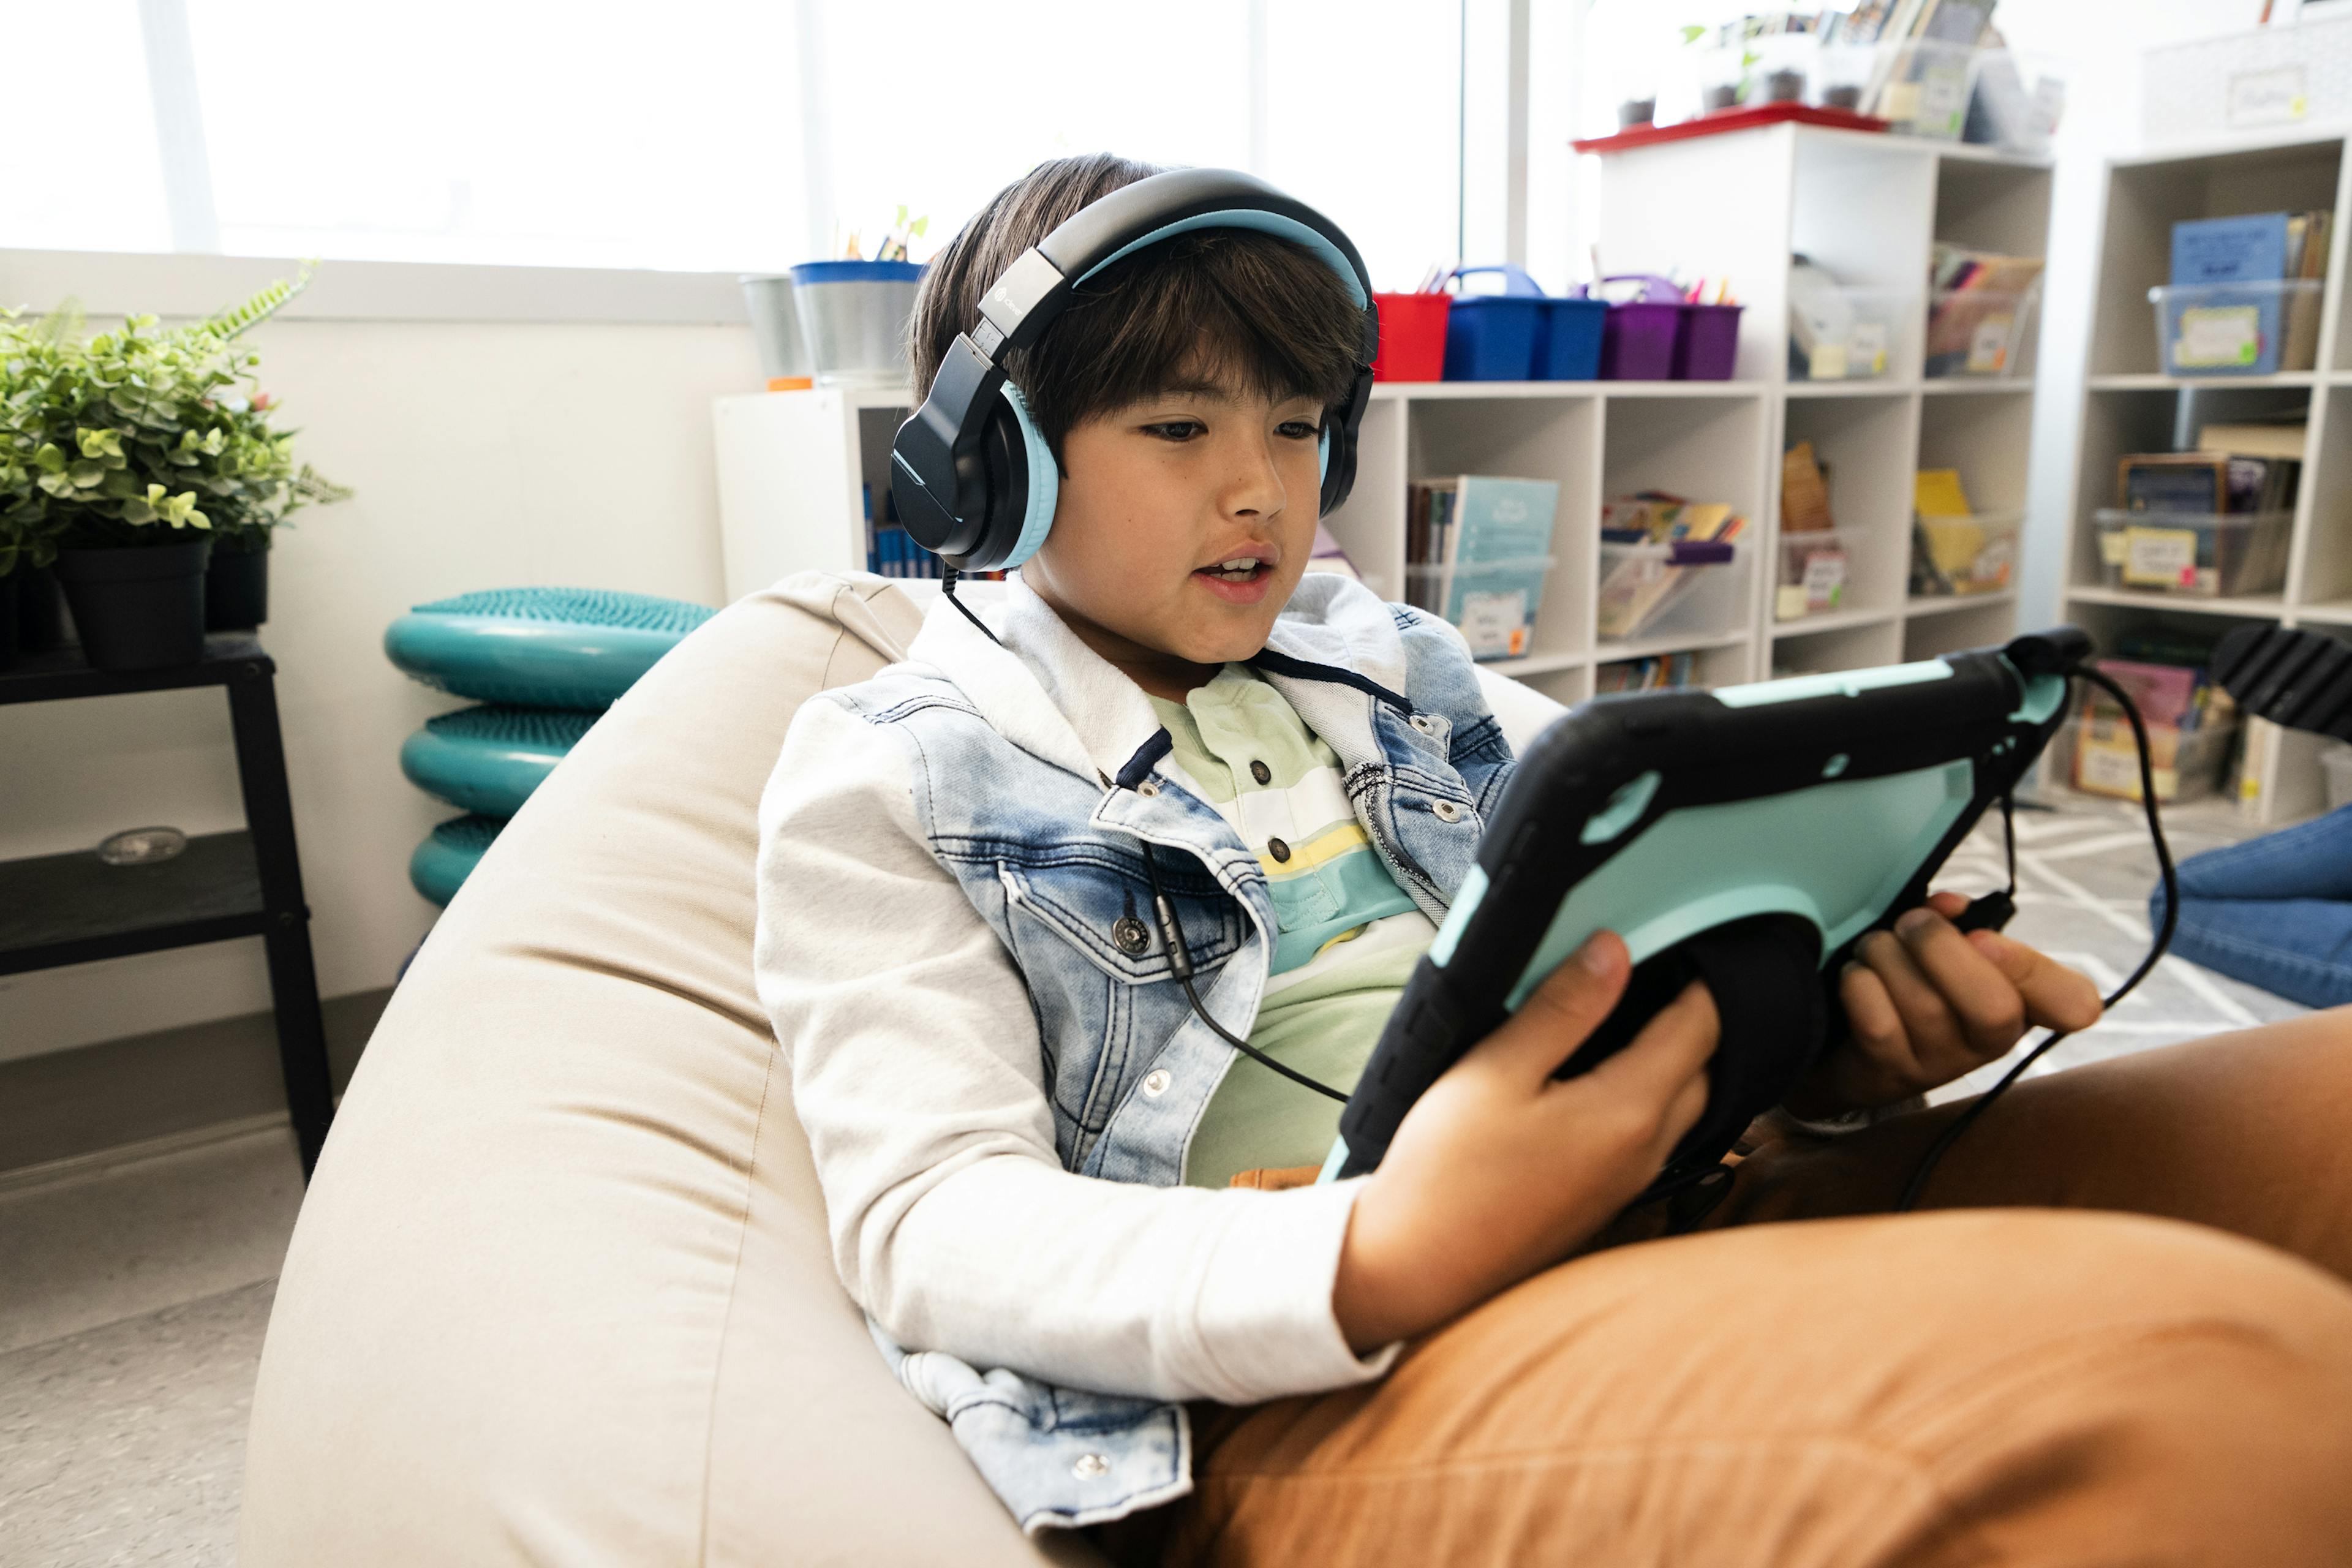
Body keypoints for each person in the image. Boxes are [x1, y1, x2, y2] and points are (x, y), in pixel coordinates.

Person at [755, 154, 2352, 1566]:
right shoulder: (897, 764)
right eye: (1179, 427)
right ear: (990, 469)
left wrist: (1829, 1052)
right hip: (1322, 1373)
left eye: (1300, 426)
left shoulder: (1395, 665)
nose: (1262, 489)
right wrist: (1379, 1248)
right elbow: (929, 1221)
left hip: (1667, 1200)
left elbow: (1639, 910)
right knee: (2189, 1405)